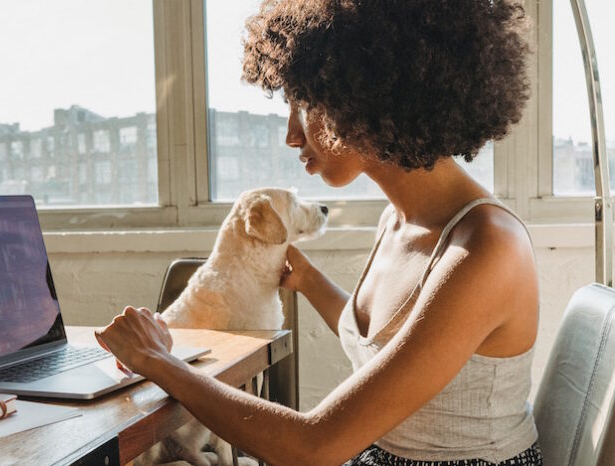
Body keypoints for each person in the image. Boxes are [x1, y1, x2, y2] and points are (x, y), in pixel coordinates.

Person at [95, 1, 543, 464]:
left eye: (304, 104)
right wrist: (306, 281)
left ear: (368, 98)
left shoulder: (487, 249)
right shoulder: (397, 221)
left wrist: (158, 362)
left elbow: (315, 446)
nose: (292, 135)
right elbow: (383, 347)